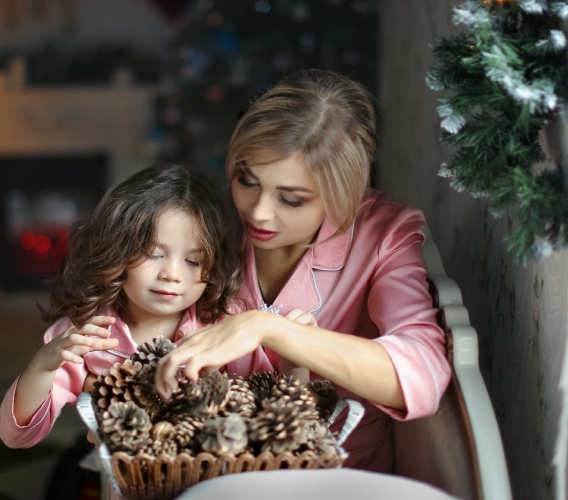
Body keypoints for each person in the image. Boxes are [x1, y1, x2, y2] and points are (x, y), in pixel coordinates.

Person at [154, 69, 452, 473]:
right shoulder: (204, 220)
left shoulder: (384, 234)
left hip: (340, 482)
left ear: (342, 194)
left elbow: (422, 374)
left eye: (291, 199)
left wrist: (270, 329)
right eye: (247, 180)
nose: (258, 212)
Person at [0, 164, 274, 449]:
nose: (172, 274)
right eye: (154, 254)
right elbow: (15, 435)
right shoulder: (85, 334)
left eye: (193, 261)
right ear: (118, 249)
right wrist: (42, 367)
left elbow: (273, 413)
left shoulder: (226, 325)